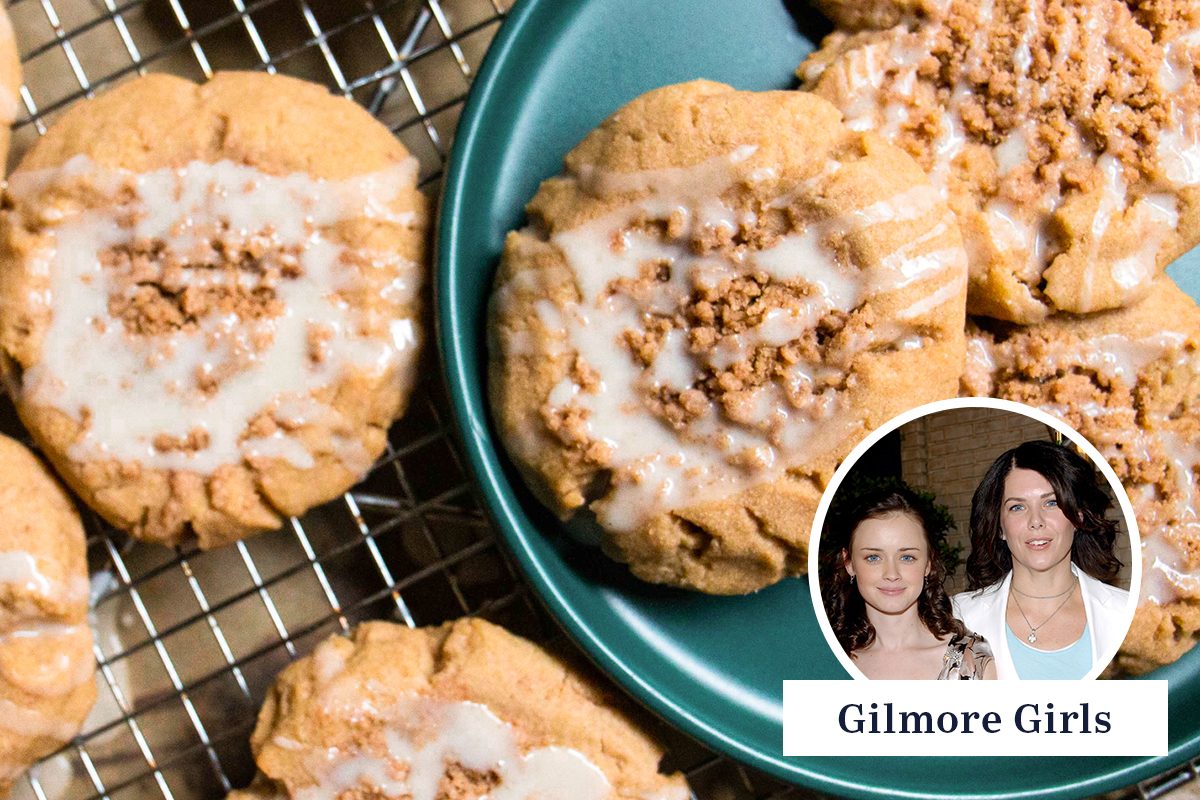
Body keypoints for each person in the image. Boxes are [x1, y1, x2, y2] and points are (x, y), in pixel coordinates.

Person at [952, 440, 1129, 680]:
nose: (1036, 521)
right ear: (999, 526)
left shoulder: (1126, 612)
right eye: (1017, 507)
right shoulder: (958, 617)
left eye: (1051, 503)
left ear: (1078, 517)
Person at [822, 487, 995, 680]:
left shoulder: (970, 659)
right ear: (849, 563)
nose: (892, 574)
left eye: (907, 557)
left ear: (928, 563)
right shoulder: (823, 658)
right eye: (873, 557)